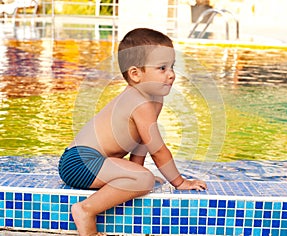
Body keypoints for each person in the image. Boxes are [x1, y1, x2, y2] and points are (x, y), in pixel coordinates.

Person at [58, 28, 207, 236]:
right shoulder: (139, 102)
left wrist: (134, 169)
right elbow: (158, 150)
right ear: (136, 74)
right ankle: (85, 211)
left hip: (92, 162)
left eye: (172, 67)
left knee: (142, 177)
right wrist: (180, 182)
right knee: (144, 179)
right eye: (162, 68)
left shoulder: (154, 99)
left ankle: (133, 177)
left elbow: (142, 141)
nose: (171, 74)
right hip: (80, 163)